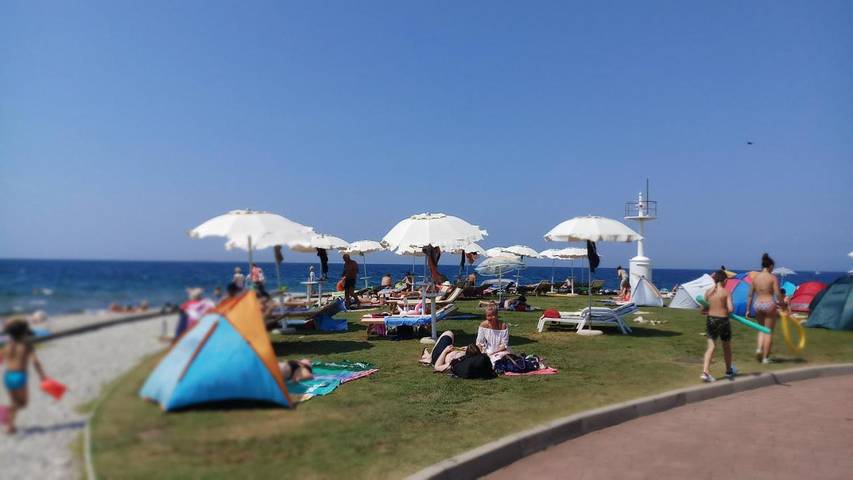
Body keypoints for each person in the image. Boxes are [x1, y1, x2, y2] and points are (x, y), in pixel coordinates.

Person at [2, 318, 47, 434]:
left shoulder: (6, 345)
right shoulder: (27, 345)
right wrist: (42, 376)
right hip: (20, 376)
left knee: (14, 402)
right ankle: (7, 421)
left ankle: (10, 427)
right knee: (23, 404)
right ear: (23, 333)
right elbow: (35, 362)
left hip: (7, 376)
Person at [746, 253, 784, 363]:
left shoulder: (755, 278)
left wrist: (748, 309)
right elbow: (777, 294)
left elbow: (750, 295)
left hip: (757, 304)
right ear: (770, 266)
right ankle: (765, 358)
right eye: (773, 267)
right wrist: (782, 304)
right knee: (768, 331)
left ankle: (759, 349)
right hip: (769, 304)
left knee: (760, 329)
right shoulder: (772, 277)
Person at [701, 269, 736, 382]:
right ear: (725, 280)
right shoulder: (726, 292)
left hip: (711, 320)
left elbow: (702, 310)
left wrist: (709, 308)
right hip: (723, 321)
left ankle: (705, 372)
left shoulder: (708, 292)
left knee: (711, 347)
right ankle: (728, 371)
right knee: (726, 347)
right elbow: (731, 309)